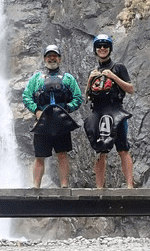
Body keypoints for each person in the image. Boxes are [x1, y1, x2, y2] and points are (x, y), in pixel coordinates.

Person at [22, 44, 83, 188]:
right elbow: (26, 96)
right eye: (49, 56)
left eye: (54, 55)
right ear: (44, 59)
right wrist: (36, 111)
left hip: (61, 121)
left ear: (59, 59)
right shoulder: (36, 78)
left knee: (62, 154)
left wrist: (67, 108)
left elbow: (78, 97)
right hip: (42, 121)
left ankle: (64, 186)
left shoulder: (68, 78)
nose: (52, 58)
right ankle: (36, 186)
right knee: (39, 156)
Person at [83, 33, 135, 189]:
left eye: (105, 46)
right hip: (98, 112)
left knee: (123, 148)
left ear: (110, 48)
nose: (102, 48)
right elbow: (87, 97)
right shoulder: (93, 71)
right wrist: (89, 80)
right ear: (95, 49)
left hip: (116, 110)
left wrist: (114, 77)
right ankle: (99, 188)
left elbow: (131, 89)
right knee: (100, 150)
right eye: (99, 46)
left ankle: (130, 186)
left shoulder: (118, 68)